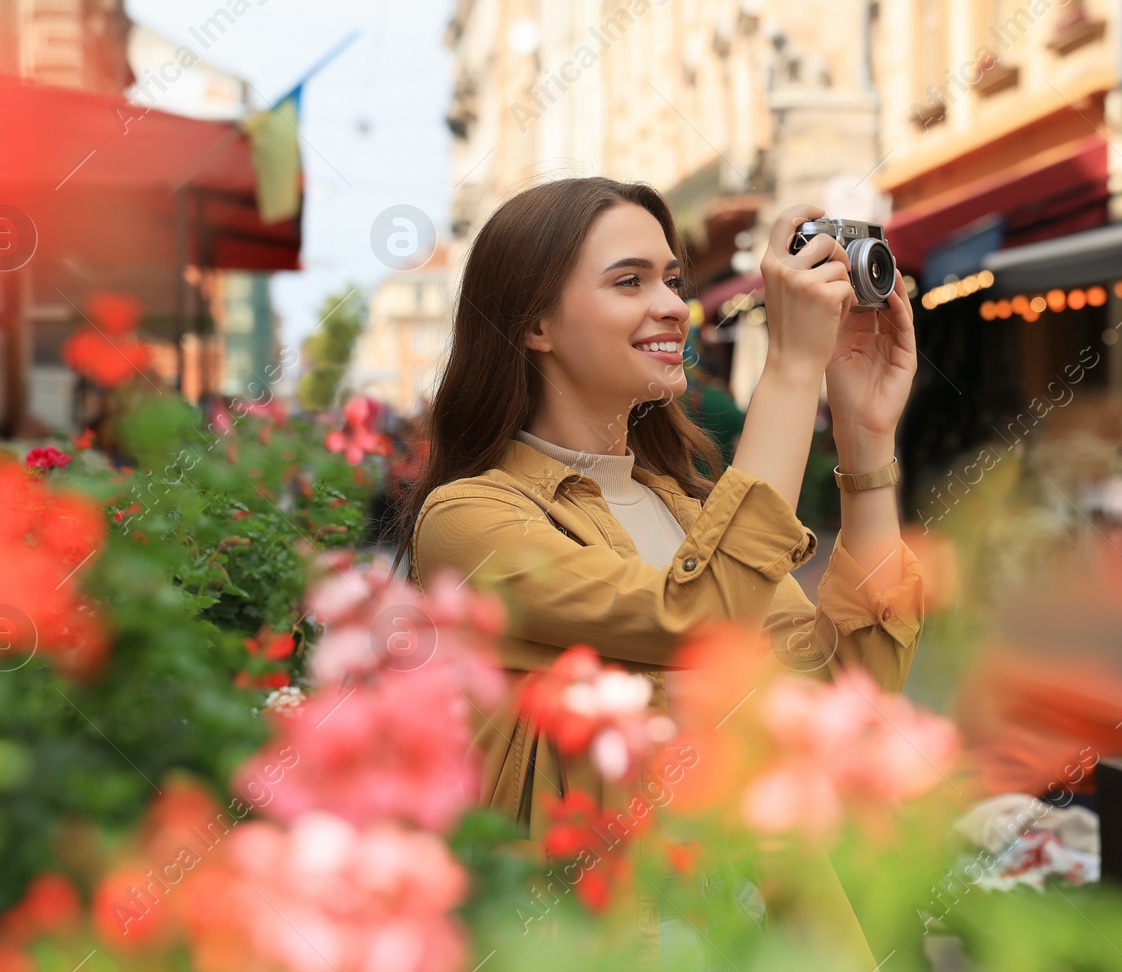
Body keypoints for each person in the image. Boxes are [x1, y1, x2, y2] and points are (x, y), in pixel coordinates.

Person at [393, 177, 924, 949]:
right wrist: (790, 369)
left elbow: (849, 690)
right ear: (535, 323)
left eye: (673, 281)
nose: (675, 305)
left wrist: (865, 438)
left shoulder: (686, 509)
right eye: (629, 281)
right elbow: (697, 616)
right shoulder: (470, 518)